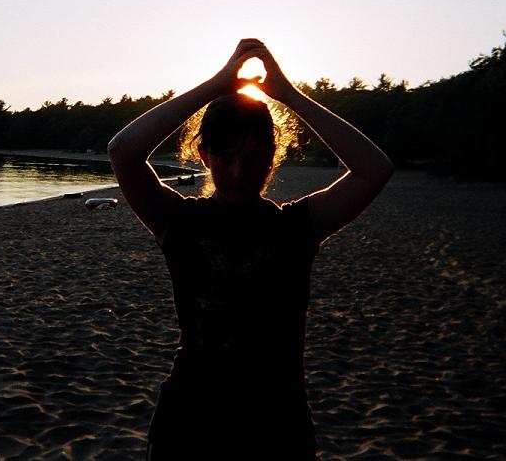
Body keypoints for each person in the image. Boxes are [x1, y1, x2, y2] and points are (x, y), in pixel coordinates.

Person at [107, 39, 394, 459]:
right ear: (204, 155)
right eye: (226, 156)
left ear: (272, 157)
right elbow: (122, 151)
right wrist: (216, 85)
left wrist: (289, 94)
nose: (239, 172)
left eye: (252, 157)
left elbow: (375, 168)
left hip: (277, 424)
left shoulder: (296, 227)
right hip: (189, 422)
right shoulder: (179, 222)